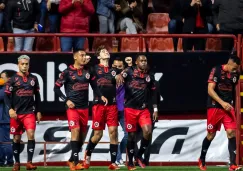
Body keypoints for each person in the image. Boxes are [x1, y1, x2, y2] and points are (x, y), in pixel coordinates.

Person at [54, 49, 107, 170]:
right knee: (75, 131)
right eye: (81, 55)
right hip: (72, 107)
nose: (84, 57)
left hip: (84, 108)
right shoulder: (67, 72)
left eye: (85, 55)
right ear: (75, 57)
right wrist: (66, 100)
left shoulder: (88, 71)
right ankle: (77, 163)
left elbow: (94, 87)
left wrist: (101, 95)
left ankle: (71, 160)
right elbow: (56, 88)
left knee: (81, 138)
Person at [198, 55, 241, 171]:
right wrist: (222, 103)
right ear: (229, 63)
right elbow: (210, 90)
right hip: (215, 106)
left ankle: (232, 164)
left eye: (237, 68)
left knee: (231, 133)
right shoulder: (216, 70)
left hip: (228, 107)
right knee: (211, 135)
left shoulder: (236, 74)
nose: (235, 70)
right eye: (234, 68)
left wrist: (231, 105)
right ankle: (202, 159)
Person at [116, 55, 158, 170]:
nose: (144, 62)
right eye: (142, 61)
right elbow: (121, 75)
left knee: (148, 131)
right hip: (130, 109)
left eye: (145, 60)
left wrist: (155, 109)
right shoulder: (129, 71)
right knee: (131, 136)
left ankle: (139, 155)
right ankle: (130, 162)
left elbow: (154, 93)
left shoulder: (149, 76)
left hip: (143, 109)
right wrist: (119, 75)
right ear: (136, 62)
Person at [83, 46, 120, 170]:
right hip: (98, 105)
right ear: (98, 56)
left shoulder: (114, 70)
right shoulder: (93, 69)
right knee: (97, 135)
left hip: (112, 105)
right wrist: (85, 61)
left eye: (107, 51)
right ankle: (88, 153)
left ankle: (113, 163)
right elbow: (81, 70)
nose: (106, 52)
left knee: (113, 133)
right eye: (103, 52)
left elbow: (123, 78)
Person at [4, 55, 42, 171]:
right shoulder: (12, 80)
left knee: (31, 134)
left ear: (29, 65)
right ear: (18, 65)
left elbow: (38, 96)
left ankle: (29, 162)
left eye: (26, 64)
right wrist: (10, 109)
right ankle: (17, 163)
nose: (24, 66)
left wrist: (39, 110)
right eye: (22, 64)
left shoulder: (33, 79)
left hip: (29, 112)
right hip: (16, 113)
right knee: (16, 138)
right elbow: (6, 96)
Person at [112, 58, 128, 166]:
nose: (118, 68)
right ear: (112, 66)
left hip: (123, 109)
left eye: (120, 66)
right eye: (116, 66)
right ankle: (117, 158)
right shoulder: (108, 77)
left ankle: (119, 155)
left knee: (128, 133)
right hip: (112, 109)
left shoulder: (127, 77)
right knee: (114, 135)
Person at [0, 71, 14, 167]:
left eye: (2, 77)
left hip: (4, 120)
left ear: (8, 79)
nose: (0, 79)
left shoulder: (7, 89)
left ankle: (9, 161)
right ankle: (1, 161)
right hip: (2, 119)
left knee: (5, 142)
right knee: (1, 142)